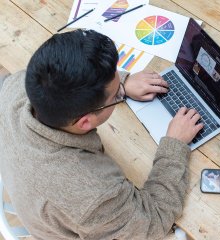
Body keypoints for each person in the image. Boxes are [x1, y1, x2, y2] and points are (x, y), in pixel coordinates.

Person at [0, 29, 203, 240]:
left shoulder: (16, 87)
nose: (119, 94)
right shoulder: (93, 194)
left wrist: (122, 83)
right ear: (85, 122)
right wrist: (175, 145)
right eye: (116, 96)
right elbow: (154, 220)